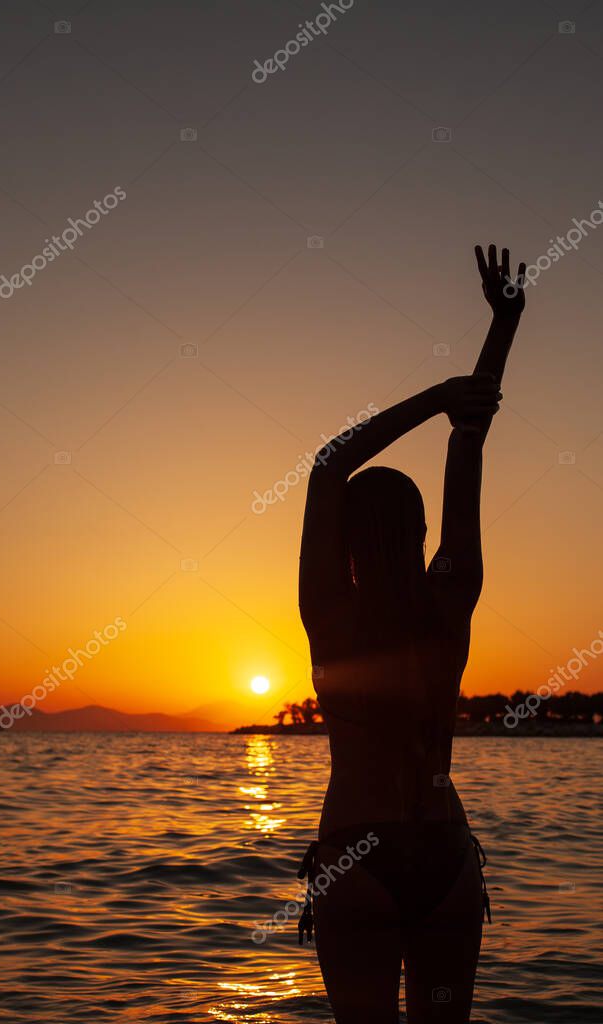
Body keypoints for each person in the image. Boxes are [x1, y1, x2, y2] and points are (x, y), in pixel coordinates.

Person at [297, 246, 526, 1022]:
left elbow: (328, 467)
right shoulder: (449, 601)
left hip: (356, 854)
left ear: (345, 545)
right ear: (423, 534)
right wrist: (503, 326)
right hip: (445, 855)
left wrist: (432, 396)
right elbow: (470, 441)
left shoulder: (331, 615)